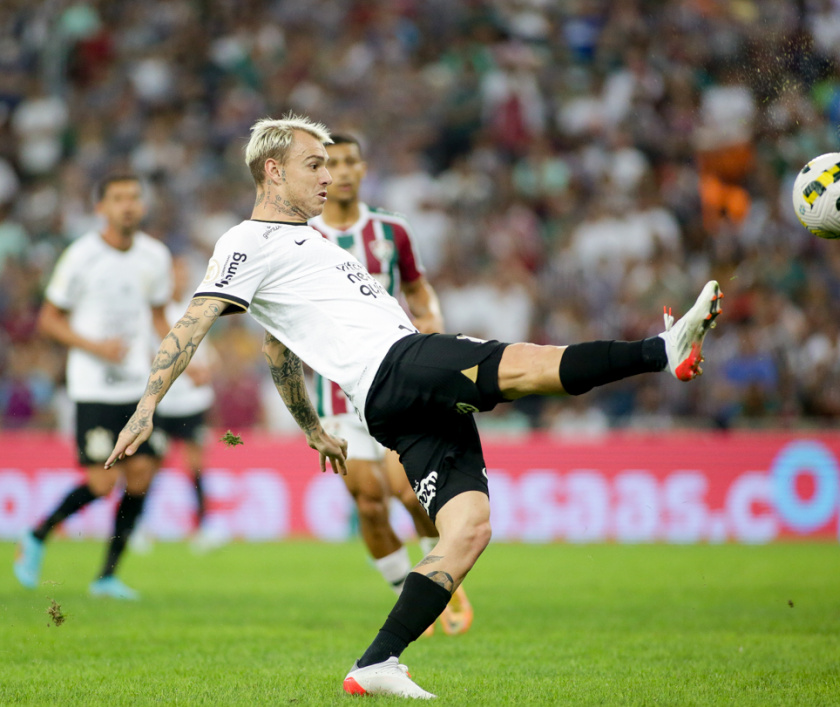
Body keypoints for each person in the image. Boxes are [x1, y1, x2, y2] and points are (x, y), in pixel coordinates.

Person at [105, 114, 722, 698]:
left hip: (389, 404)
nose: (328, 176)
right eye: (314, 165)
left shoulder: (304, 241)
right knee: (528, 364)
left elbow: (278, 347)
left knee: (470, 528)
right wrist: (147, 404)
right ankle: (663, 349)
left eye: (330, 165)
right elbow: (195, 318)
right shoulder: (248, 240)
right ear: (272, 171)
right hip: (398, 367)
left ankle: (376, 662)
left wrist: (312, 425)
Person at [309, 133, 471, 635]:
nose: (342, 169)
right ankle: (408, 595)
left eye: (350, 160)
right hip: (335, 389)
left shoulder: (390, 231)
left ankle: (440, 575)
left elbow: (419, 291)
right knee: (369, 502)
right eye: (330, 162)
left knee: (407, 491)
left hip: (393, 377)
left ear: (362, 168)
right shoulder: (303, 236)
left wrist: (433, 329)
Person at [13, 173, 172, 600]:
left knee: (141, 475)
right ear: (100, 207)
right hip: (93, 387)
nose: (128, 205)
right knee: (102, 483)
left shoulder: (154, 256)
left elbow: (157, 316)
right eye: (118, 198)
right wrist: (95, 346)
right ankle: (37, 535)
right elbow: (48, 319)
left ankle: (106, 577)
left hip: (137, 387)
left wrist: (182, 356)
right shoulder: (81, 256)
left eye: (135, 197)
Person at [152, 255, 226, 552]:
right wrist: (190, 370)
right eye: (175, 275)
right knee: (149, 466)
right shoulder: (157, 313)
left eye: (183, 274)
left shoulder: (197, 306)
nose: (180, 280)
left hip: (194, 402)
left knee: (196, 466)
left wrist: (210, 367)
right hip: (164, 402)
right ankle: (141, 526)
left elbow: (208, 351)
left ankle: (203, 527)